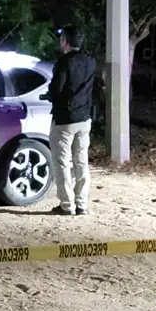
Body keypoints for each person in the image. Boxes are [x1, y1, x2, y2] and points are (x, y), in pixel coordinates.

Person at [46, 25, 97, 216]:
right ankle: (82, 203)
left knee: (61, 162)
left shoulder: (64, 62)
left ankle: (67, 205)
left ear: (64, 41)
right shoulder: (91, 61)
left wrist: (50, 96)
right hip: (84, 118)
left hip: (65, 119)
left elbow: (56, 89)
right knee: (81, 161)